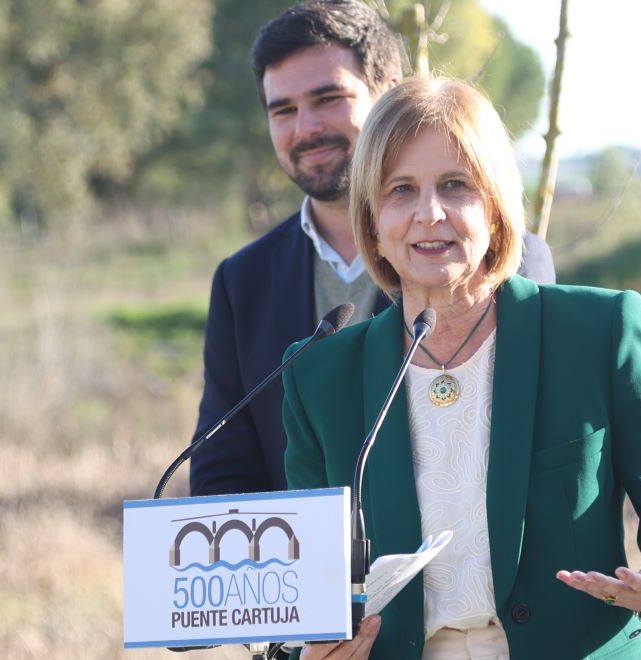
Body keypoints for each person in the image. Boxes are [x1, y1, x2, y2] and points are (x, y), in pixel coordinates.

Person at [281, 77, 641, 660]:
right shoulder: (320, 375)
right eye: (401, 190)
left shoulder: (598, 331)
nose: (428, 213)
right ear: (373, 218)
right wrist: (313, 657)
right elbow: (308, 581)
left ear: (495, 205)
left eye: (455, 186)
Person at [189, 0, 555, 500]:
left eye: (328, 99)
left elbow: (532, 445)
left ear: (389, 97)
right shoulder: (242, 281)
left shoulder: (502, 260)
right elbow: (223, 470)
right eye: (284, 110)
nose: (306, 128)